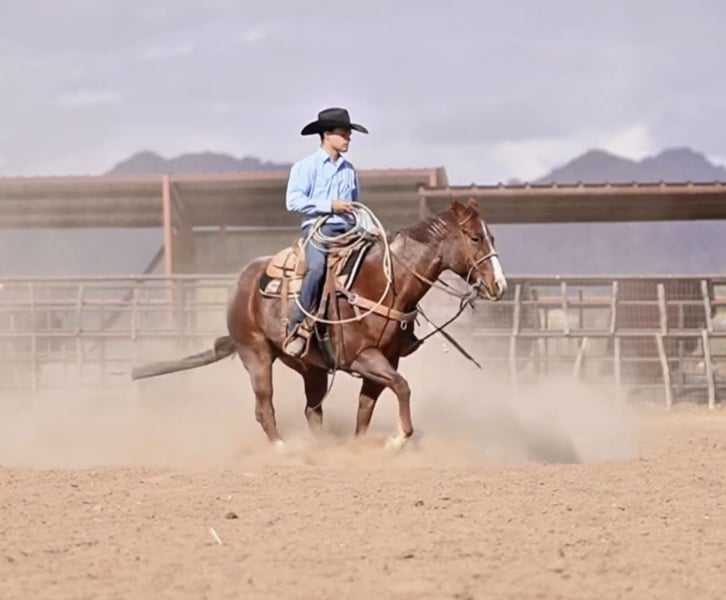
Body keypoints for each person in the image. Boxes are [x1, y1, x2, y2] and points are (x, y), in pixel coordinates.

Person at [282, 107, 367, 357]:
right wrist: (330, 205)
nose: (348, 138)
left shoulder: (349, 170)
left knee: (381, 260)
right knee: (317, 268)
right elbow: (293, 201)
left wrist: (369, 228)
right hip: (318, 229)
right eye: (343, 133)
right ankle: (297, 325)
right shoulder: (305, 167)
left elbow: (356, 206)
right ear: (327, 135)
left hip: (349, 229)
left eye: (349, 134)